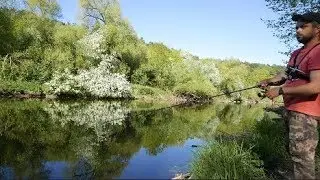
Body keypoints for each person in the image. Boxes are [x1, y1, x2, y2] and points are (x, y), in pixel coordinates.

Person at [258, 11, 320, 179]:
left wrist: (280, 90)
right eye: (297, 27)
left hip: (305, 112)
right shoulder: (297, 53)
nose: (298, 30)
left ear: (317, 29)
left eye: (303, 26)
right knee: (293, 149)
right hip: (291, 108)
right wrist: (269, 81)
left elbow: (315, 86)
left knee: (303, 156)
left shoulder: (318, 52)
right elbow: (285, 75)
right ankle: (295, 175)